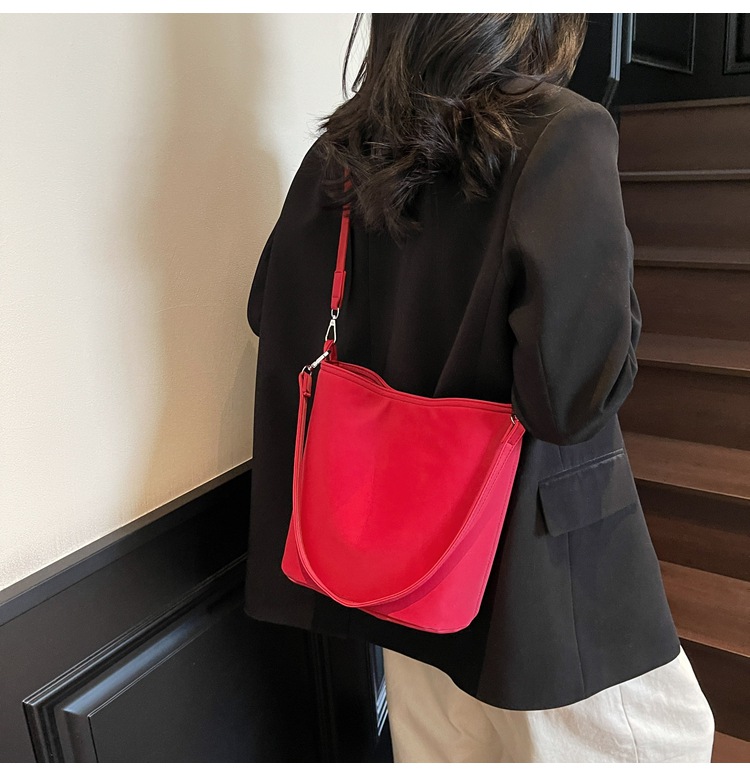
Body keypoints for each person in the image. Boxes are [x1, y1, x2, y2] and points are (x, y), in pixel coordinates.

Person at [243, 13, 716, 762]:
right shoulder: (560, 131)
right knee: (670, 744)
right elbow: (573, 400)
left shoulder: (340, 152)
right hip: (536, 580)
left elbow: (270, 313)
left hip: (397, 566)